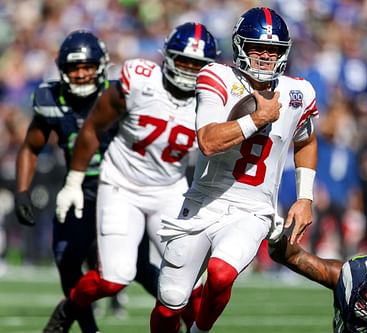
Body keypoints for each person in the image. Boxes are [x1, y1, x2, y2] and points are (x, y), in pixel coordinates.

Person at [42, 23, 219, 333]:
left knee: (189, 284)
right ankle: (71, 306)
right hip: (122, 185)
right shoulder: (140, 81)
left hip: (170, 189)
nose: (190, 71)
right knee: (114, 278)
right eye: (184, 61)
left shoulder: (214, 101)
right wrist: (74, 180)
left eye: (198, 65)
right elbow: (93, 126)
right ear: (167, 58)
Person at [150, 7, 319, 333]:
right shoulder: (217, 78)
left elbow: (307, 140)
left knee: (222, 273)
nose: (265, 57)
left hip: (253, 209)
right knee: (171, 300)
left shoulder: (300, 92)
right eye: (258, 47)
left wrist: (305, 197)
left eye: (273, 50)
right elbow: (209, 141)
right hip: (204, 201)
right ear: (240, 46)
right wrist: (258, 118)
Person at [15, 30, 141, 333]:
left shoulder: (120, 94)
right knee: (66, 259)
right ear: (63, 69)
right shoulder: (50, 97)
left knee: (143, 271)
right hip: (78, 190)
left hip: (122, 190)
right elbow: (31, 146)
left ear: (101, 66)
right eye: (74, 68)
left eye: (87, 66)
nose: (82, 73)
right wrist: (22, 192)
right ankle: (88, 327)